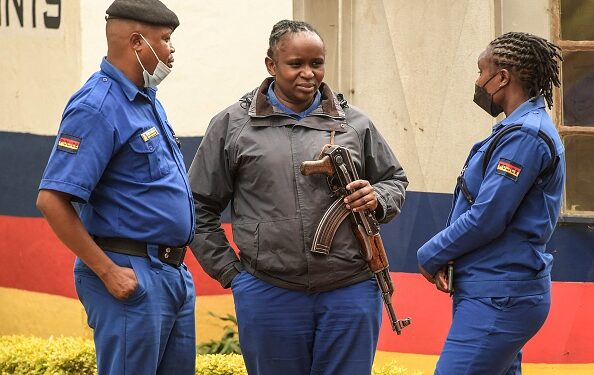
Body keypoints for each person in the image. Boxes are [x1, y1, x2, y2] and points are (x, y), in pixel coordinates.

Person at [188, 19, 408, 375]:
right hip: (269, 291)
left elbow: (394, 180)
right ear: (271, 65)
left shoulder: (354, 123)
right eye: (296, 64)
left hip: (349, 290)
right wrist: (233, 274)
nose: (308, 73)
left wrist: (378, 197)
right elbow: (198, 206)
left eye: (317, 63)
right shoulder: (233, 125)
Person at [35, 1, 196, 374]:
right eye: (166, 40)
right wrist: (108, 272)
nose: (172, 51)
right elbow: (52, 199)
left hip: (170, 272)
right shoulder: (97, 106)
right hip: (130, 274)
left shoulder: (146, 102)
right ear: (138, 42)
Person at [417, 31, 565, 375]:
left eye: (481, 72)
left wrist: (431, 254)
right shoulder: (514, 130)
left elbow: (488, 216)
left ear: (502, 77)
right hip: (491, 289)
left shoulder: (525, 136)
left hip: (499, 297)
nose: (478, 81)